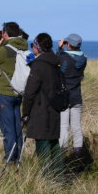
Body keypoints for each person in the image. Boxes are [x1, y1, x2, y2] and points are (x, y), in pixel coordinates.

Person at [0, 22, 30, 165]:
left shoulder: (5, 50)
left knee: (7, 127)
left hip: (5, 93)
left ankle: (10, 158)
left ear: (5, 34)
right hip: (19, 92)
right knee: (17, 127)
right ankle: (19, 157)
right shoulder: (24, 48)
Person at [21, 32, 64, 179]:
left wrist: (25, 113)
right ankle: (59, 177)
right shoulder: (56, 62)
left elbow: (29, 93)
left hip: (41, 110)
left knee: (43, 145)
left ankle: (47, 179)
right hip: (55, 109)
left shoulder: (39, 65)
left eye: (33, 45)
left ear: (38, 47)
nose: (32, 47)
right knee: (54, 144)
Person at [57, 34, 87, 157]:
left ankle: (62, 154)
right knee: (76, 126)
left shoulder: (64, 57)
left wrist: (59, 48)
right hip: (76, 96)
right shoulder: (84, 59)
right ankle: (78, 154)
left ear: (68, 44)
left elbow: (57, 62)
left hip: (64, 97)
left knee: (63, 126)